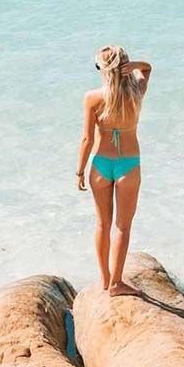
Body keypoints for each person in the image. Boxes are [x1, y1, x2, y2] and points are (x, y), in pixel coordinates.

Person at [76, 45, 152, 296]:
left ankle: (106, 280)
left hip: (100, 165)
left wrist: (79, 171)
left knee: (102, 225)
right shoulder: (136, 93)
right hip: (128, 166)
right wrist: (136, 66)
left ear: (102, 69)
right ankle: (117, 284)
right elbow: (147, 69)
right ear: (124, 67)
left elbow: (87, 139)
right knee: (122, 227)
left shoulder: (93, 98)